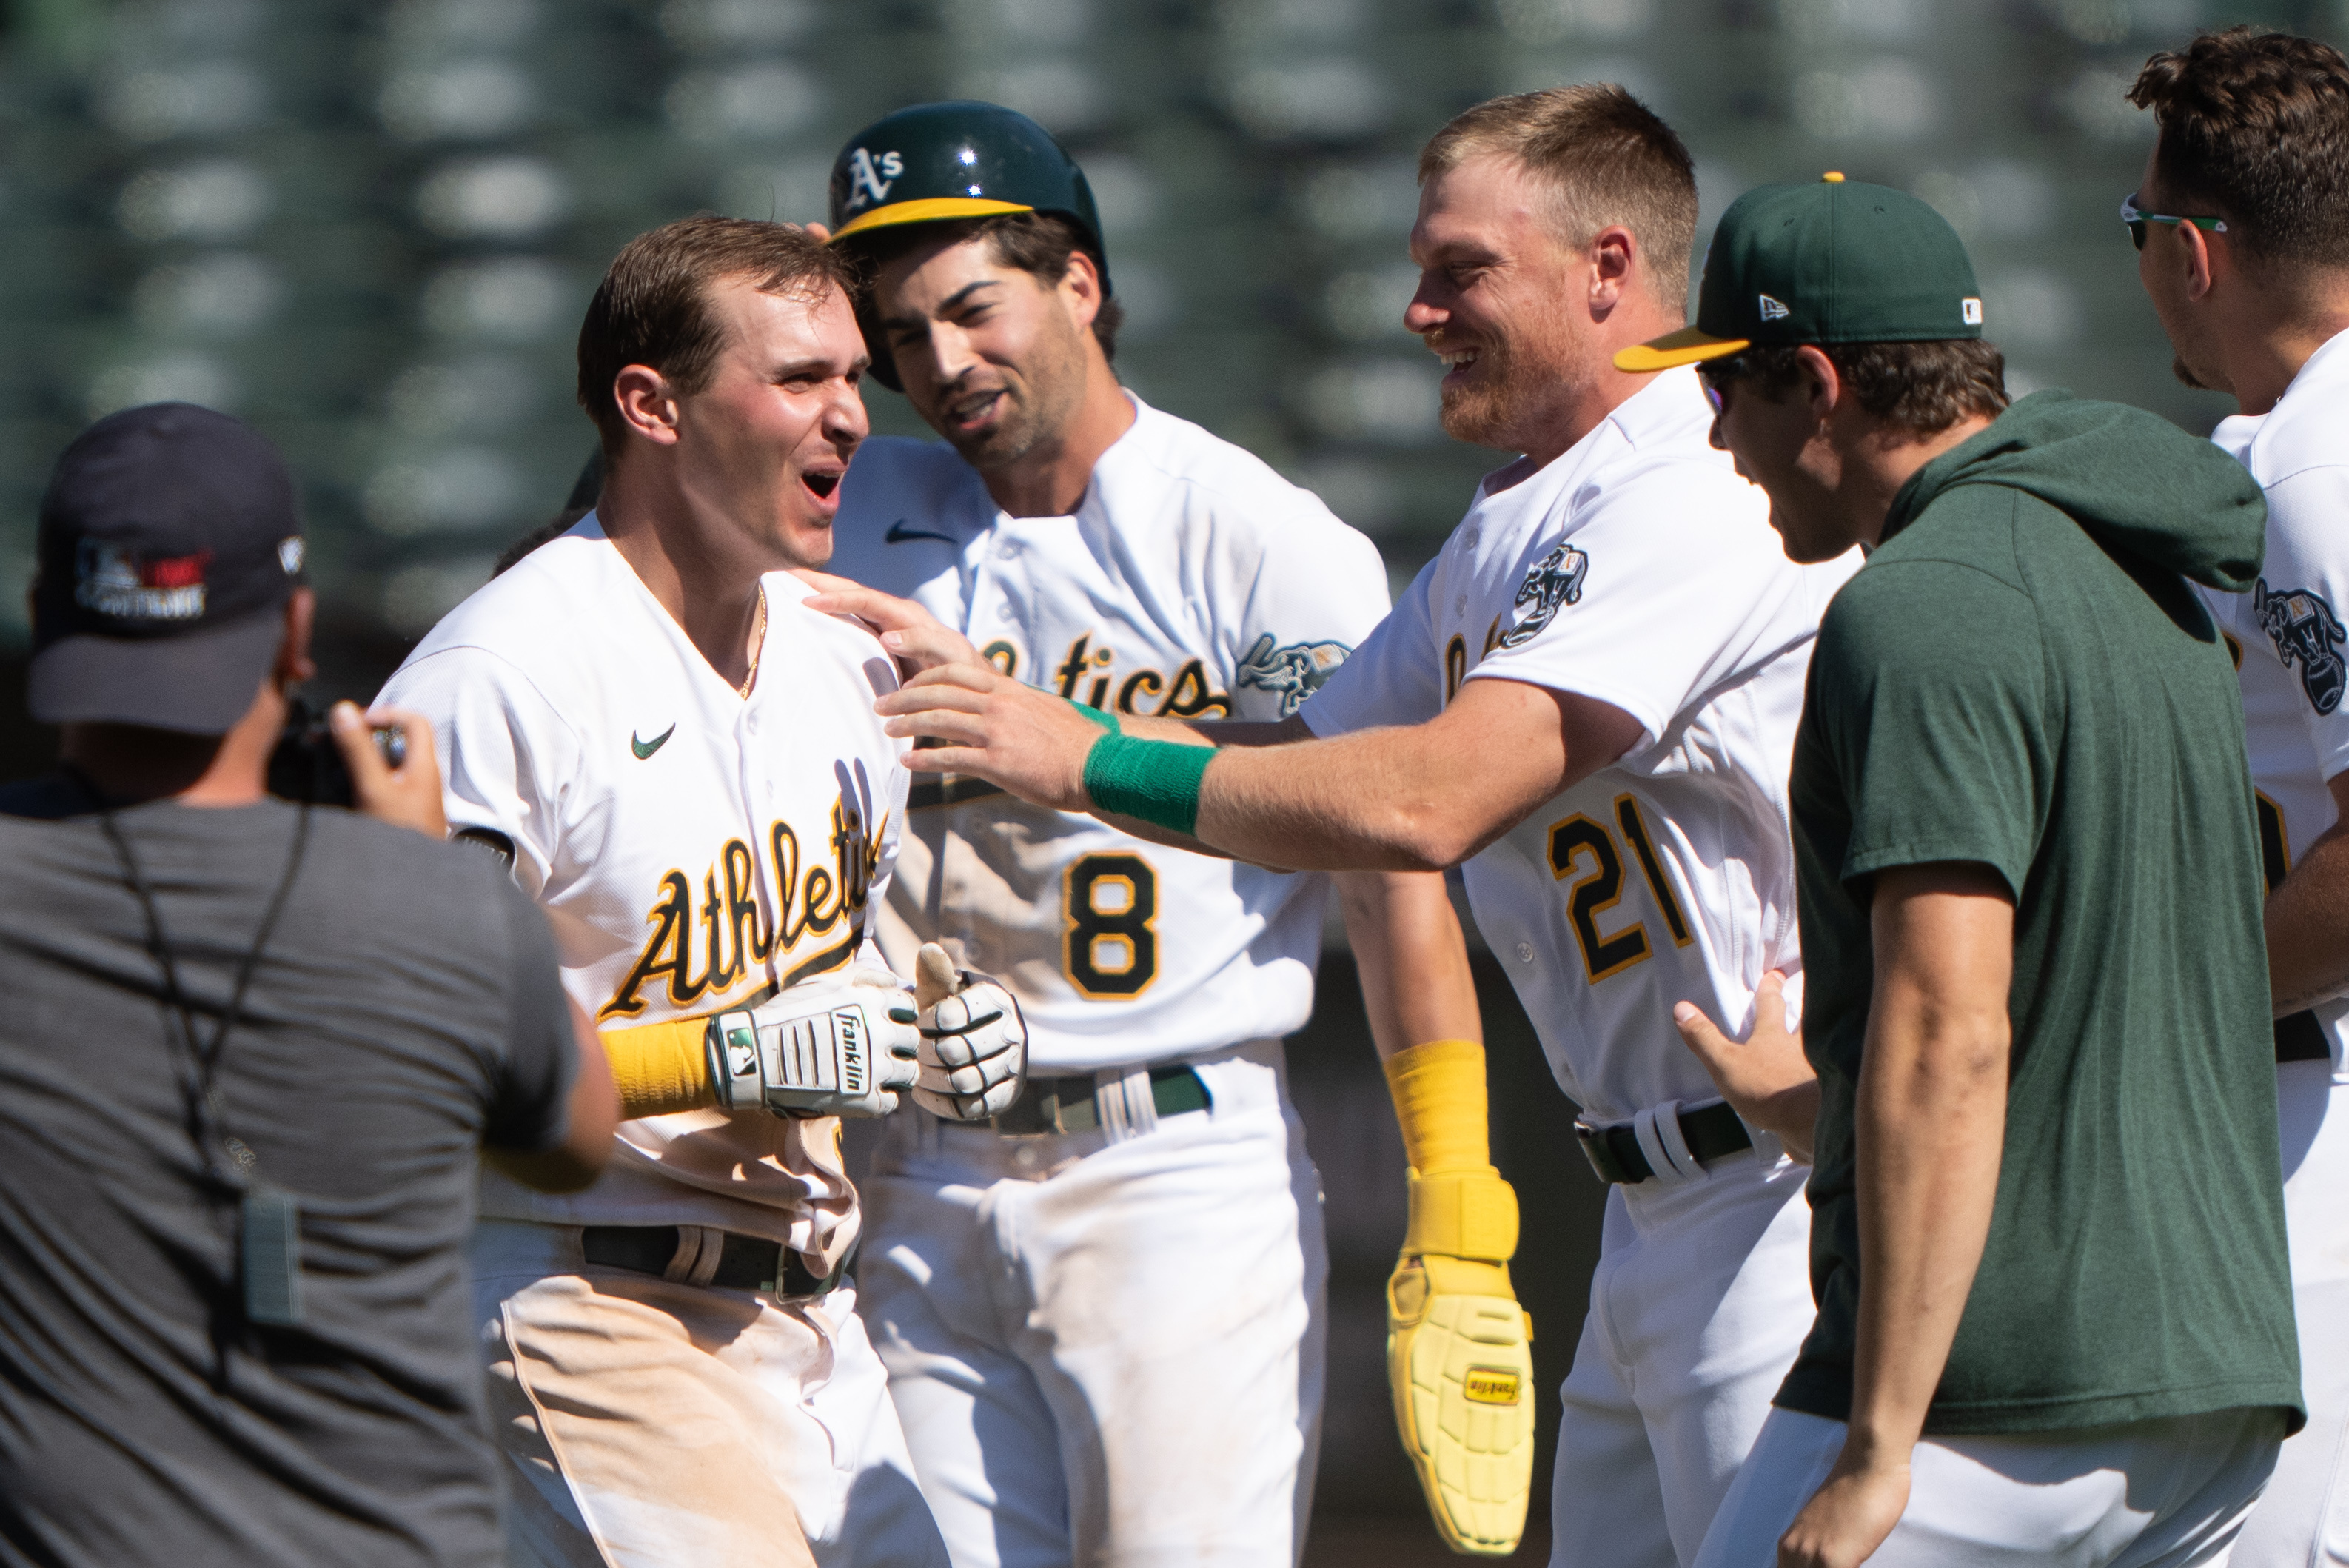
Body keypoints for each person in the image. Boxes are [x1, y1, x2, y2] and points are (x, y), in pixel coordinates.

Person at [866, 87, 1862, 1568]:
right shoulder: (1514, 511)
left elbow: (1417, 804)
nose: (1417, 309)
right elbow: (1314, 766)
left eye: (1463, 269)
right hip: (1649, 1198)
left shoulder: (1689, 478)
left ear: (1607, 269)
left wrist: (1074, 754)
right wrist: (1084, 754)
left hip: (1779, 1174)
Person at [791, 99, 1484, 1567]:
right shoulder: (855, 513)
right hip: (917, 1173)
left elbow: (1389, 868)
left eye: (975, 308)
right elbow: (618, 519)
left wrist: (1456, 1191)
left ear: (1083, 283)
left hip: (1169, 1165)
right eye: (903, 333)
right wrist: (765, 303)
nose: (942, 362)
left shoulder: (1251, 531)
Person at [1649, 175, 2301, 1568]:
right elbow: (2090, 996)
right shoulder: (2142, 581)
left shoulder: (1926, 601)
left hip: (1999, 1391)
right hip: (2206, 1383)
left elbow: (1951, 1028)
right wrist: (1824, 1109)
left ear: (1813, 382)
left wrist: (1879, 1444)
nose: (1715, 435)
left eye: (1728, 390)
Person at [378, 217, 1022, 1568]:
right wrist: (719, 1057)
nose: (850, 412)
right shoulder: (504, 675)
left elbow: (814, 965)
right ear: (649, 404)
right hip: (580, 1286)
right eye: (798, 378)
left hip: (811, 1314)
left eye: (853, 375)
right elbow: (408, 1067)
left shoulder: (847, 662)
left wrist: (923, 1026)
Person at [0, 401, 617, 1568]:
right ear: (294, 633)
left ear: (44, 621)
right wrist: (433, 859)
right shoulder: (439, 905)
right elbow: (574, 1135)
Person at [2127, 28, 2349, 1568]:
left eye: (2139, 232)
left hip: (2317, 1124)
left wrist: (2147, 1017)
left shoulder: (2321, 456)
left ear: (2193, 251)